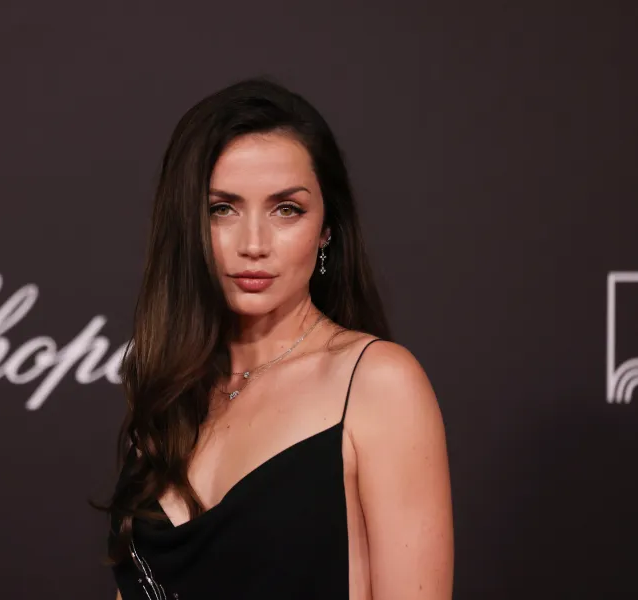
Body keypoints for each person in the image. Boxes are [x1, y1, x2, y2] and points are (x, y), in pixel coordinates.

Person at [98, 77, 454, 599]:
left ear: (326, 228)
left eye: (286, 209)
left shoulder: (377, 385)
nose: (254, 244)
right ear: (187, 225)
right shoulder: (168, 396)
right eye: (222, 209)